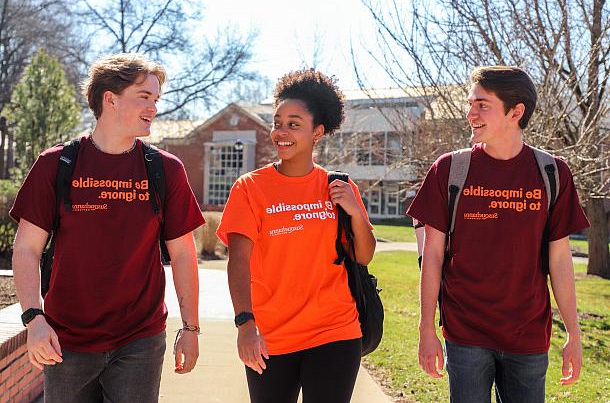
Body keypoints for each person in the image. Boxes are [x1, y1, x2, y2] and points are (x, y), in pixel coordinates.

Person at [10, 53, 205, 403]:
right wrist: (33, 318)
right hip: (66, 339)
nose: (154, 108)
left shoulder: (166, 170)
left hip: (139, 340)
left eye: (156, 99)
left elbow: (183, 254)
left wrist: (190, 328)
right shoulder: (56, 164)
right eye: (144, 97)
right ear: (110, 98)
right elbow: (26, 248)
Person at [407, 66, 589, 402]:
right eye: (470, 103)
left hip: (528, 335)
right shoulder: (449, 170)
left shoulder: (552, 173)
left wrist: (574, 334)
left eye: (482, 105)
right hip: (464, 333)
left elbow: (560, 259)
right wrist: (426, 328)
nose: (469, 113)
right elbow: (431, 255)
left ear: (515, 112)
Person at [217, 69, 376, 403]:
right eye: (277, 122)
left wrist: (356, 213)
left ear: (317, 131)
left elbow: (363, 255)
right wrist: (245, 324)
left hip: (335, 331)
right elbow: (239, 261)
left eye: (294, 123)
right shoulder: (250, 188)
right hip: (271, 337)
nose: (281, 132)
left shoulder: (339, 186)